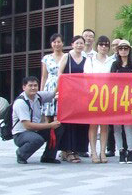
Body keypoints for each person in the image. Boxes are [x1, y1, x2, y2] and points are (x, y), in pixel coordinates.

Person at [12, 76, 63, 164]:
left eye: (35, 85)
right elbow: (28, 126)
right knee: (37, 139)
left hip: (35, 131)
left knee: (58, 128)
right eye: (30, 85)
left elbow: (53, 94)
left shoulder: (38, 96)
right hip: (21, 134)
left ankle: (48, 157)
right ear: (24, 87)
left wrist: (61, 80)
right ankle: (21, 154)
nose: (33, 88)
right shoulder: (21, 102)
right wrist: (50, 125)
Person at [57, 35, 89, 163]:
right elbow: (60, 74)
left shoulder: (86, 59)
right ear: (72, 44)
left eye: (81, 43)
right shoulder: (67, 57)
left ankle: (76, 150)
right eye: (77, 43)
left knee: (79, 123)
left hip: (81, 95)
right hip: (68, 94)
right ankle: (67, 150)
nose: (79, 45)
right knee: (68, 123)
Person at [83, 35, 113, 163]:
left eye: (106, 45)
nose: (104, 47)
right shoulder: (90, 60)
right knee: (93, 124)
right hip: (93, 96)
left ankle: (102, 152)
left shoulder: (111, 61)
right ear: (97, 46)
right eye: (101, 44)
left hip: (107, 96)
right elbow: (86, 77)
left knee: (105, 125)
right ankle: (94, 152)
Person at [110, 39, 132, 164]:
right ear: (118, 51)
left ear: (129, 50)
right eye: (121, 48)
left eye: (126, 48)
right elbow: (110, 80)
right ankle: (121, 151)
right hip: (117, 97)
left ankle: (130, 151)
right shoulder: (115, 65)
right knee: (116, 127)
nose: (123, 51)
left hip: (130, 98)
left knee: (128, 125)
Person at [40, 33, 64, 122]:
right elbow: (44, 76)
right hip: (49, 86)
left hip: (62, 86)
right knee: (48, 115)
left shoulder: (66, 57)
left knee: (60, 114)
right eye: (54, 42)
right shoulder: (46, 58)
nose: (57, 44)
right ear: (51, 44)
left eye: (59, 42)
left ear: (63, 43)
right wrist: (41, 92)